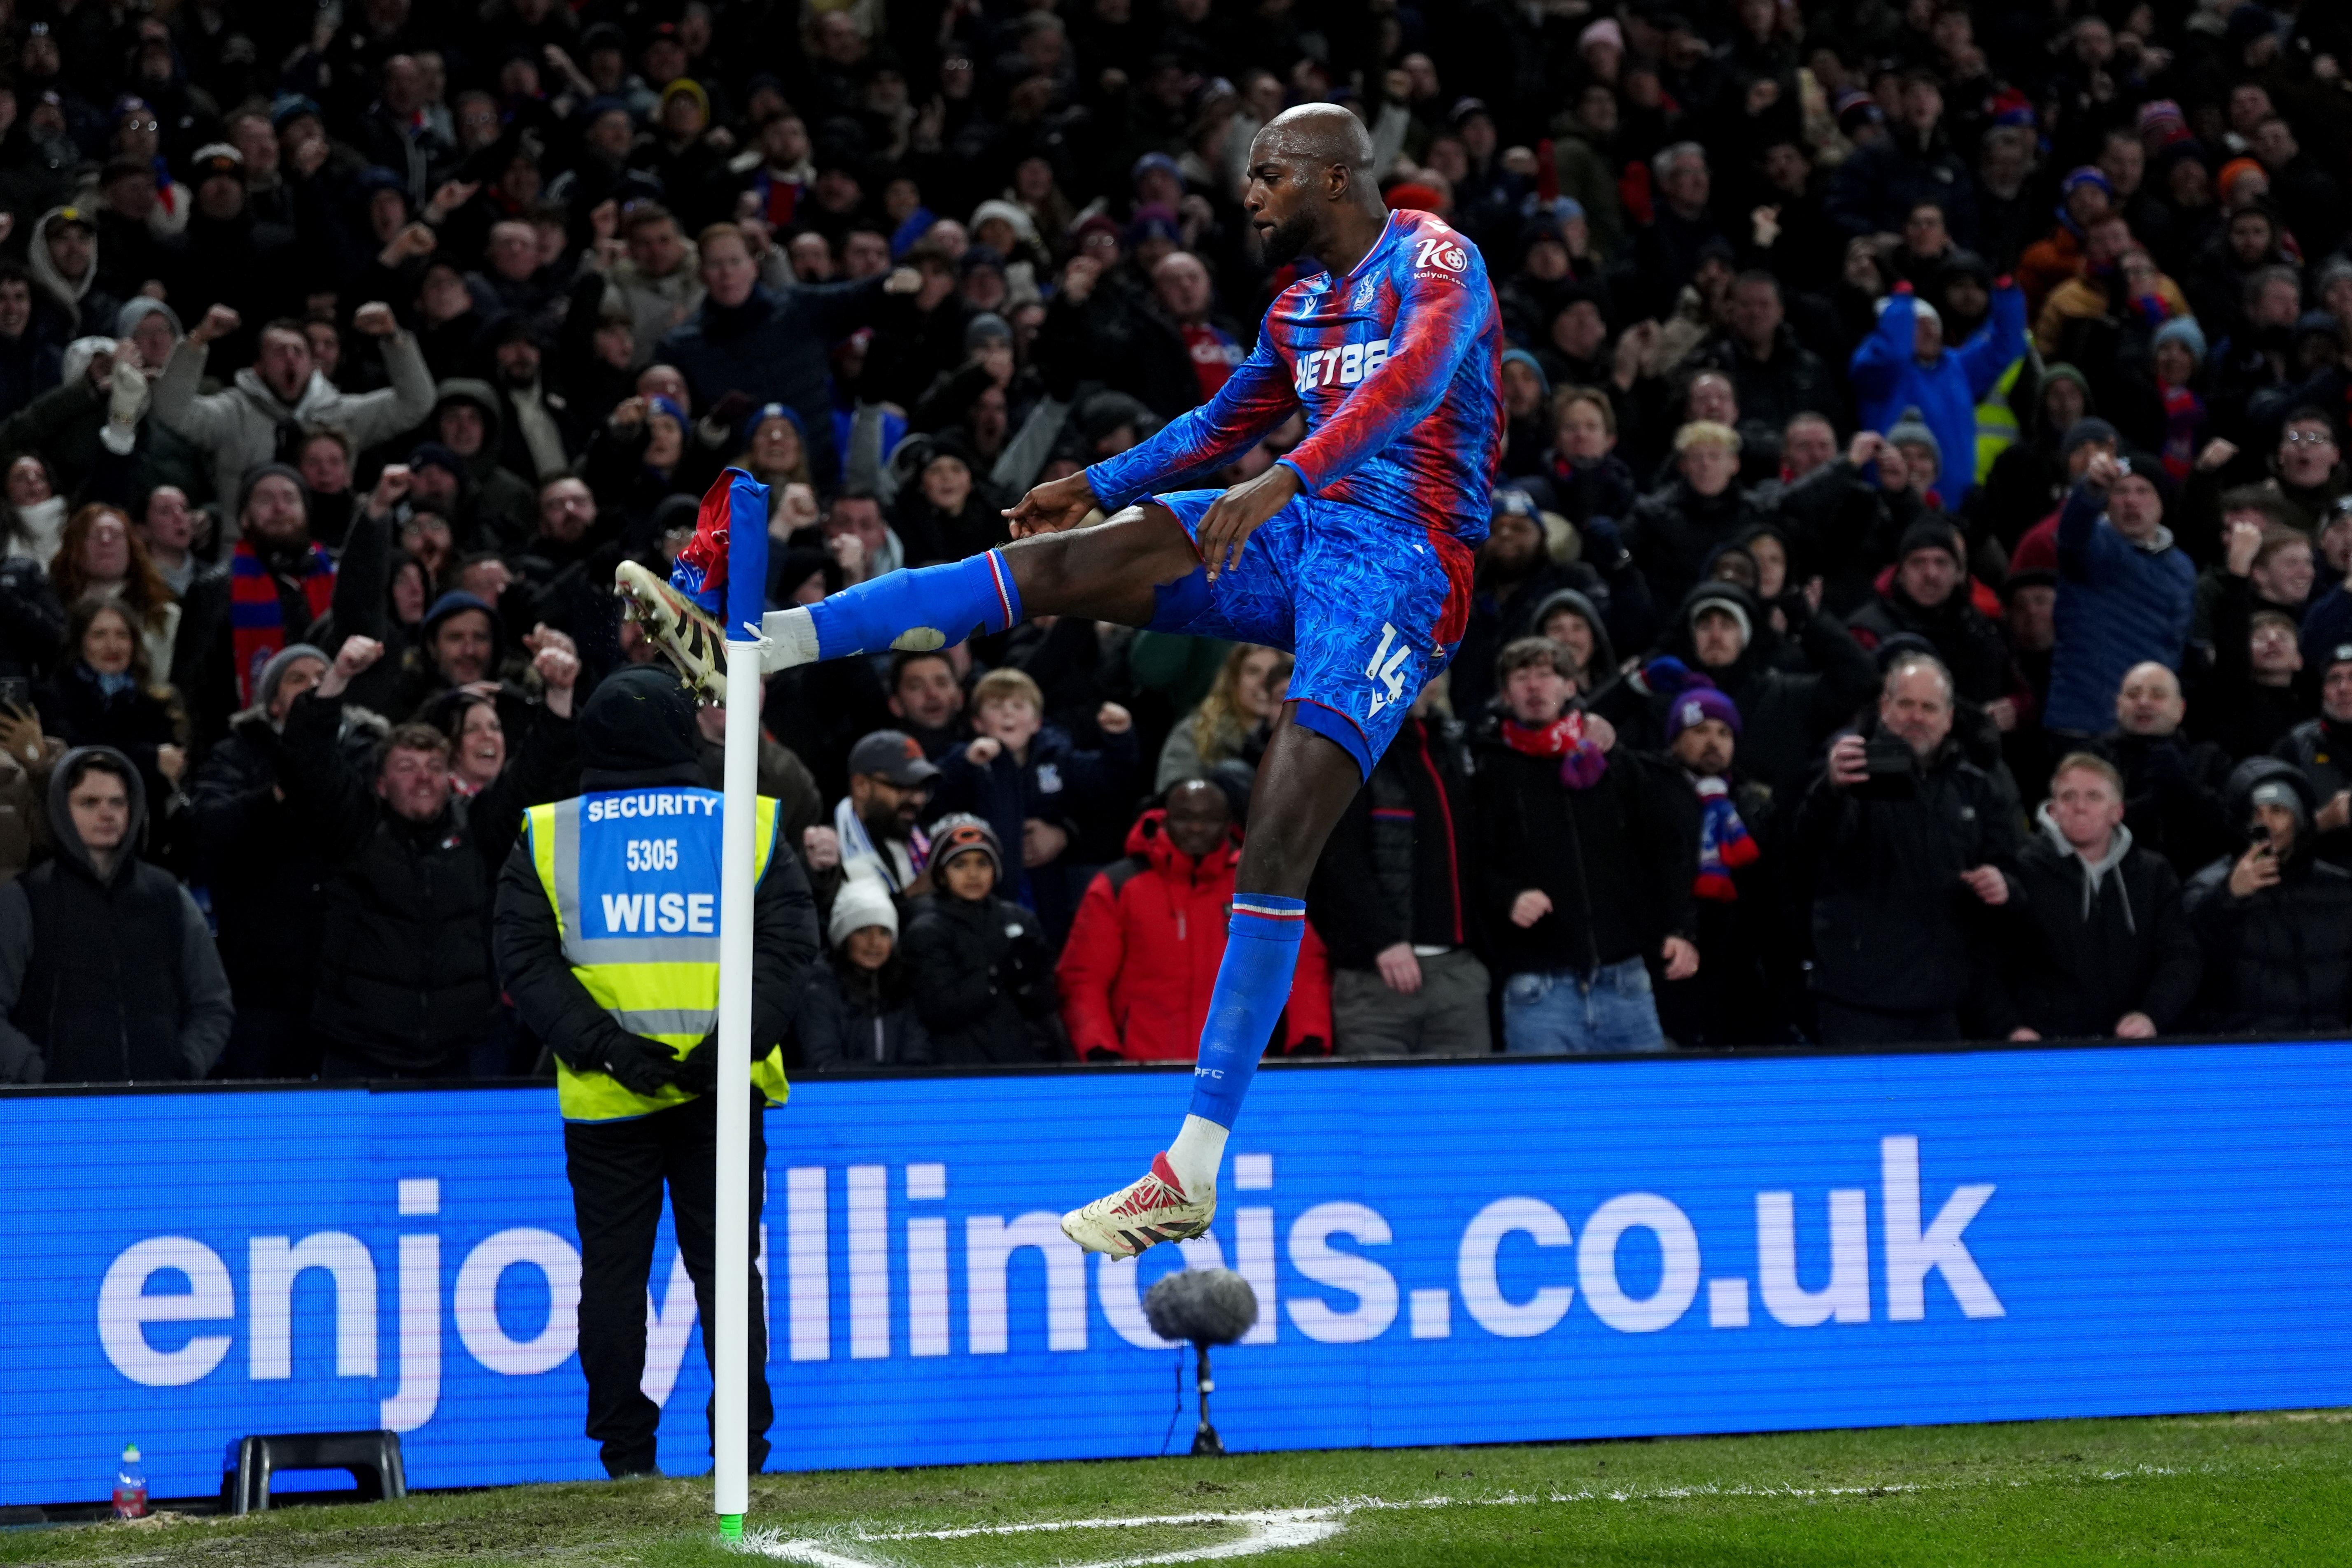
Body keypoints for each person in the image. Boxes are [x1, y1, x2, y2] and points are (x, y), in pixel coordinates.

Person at [625, 105, 1501, 1254]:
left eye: (1270, 176)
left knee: (1281, 828)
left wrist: (1278, 483)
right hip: (1301, 521)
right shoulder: (1293, 306)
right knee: (1063, 564)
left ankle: (1189, 1166)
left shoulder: (1436, 260)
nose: (1250, 196)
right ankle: (770, 642)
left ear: (1338, 178)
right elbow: (1221, 419)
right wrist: (1095, 480)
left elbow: (1413, 391)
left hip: (1403, 562)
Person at [493, 665, 816, 1480]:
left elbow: (524, 962)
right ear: (682, 731)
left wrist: (608, 1048)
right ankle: (740, 1446)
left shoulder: (546, 833)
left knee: (613, 1273)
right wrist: (731, 1044)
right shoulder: (748, 822)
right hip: (720, 1088)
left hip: (608, 1093)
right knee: (725, 1273)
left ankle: (626, 1454)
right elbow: (788, 950)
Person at [283, 634, 575, 1080]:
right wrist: (338, 676)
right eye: (406, 768)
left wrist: (559, 694)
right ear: (381, 782)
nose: (423, 779)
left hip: (461, 1054)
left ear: (450, 775)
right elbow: (309, 758)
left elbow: (531, 776)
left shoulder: (478, 829)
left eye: (434, 768)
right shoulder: (354, 827)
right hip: (361, 1052)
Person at [1472, 638, 1697, 1055]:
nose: (1534, 686)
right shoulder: (1489, 770)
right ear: (1505, 695)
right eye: (1521, 677)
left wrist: (1681, 929)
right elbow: (1473, 863)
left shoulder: (1615, 763)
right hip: (1537, 991)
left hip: (1625, 982)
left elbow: (1668, 849)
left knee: (1641, 1117)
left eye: (1546, 674)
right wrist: (1508, 896)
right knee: (1545, 1120)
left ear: (1570, 686)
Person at [1798, 652, 2021, 1046]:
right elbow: (1809, 847)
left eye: (1928, 707)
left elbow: (2014, 870)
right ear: (1885, 708)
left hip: (1944, 1003)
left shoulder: (1977, 787)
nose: (1916, 716)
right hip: (1856, 1000)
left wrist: (2002, 884)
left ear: (1948, 717)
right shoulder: (1848, 772)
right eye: (1905, 704)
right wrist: (1830, 790)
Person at [0, 746, 231, 1083]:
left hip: (157, 1111)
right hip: (54, 1117)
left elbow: (212, 1003)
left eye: (117, 802)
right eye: (89, 802)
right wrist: (38, 1077)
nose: (107, 813)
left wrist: (183, 1068)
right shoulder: (25, 900)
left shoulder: (168, 896)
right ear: (60, 810)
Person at [1061, 781, 1333, 1063]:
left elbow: (1303, 968)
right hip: (1141, 1072)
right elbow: (1084, 979)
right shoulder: (1117, 887)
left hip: (1237, 1074)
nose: (1196, 828)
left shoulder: (1261, 889)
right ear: (1164, 818)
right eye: (1185, 817)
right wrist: (1100, 1052)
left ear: (1229, 823)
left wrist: (1308, 1043)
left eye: (1209, 819)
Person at [1305, 686, 1486, 1056]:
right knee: (1377, 1109)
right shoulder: (1349, 746)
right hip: (1374, 978)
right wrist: (1382, 939)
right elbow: (1337, 857)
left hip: (1457, 974)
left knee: (1462, 1111)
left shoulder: (1452, 745)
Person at [1984, 753, 2199, 1043]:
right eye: (2068, 796)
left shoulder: (2154, 874)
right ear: (2054, 809)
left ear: (2117, 811)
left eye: (2093, 797)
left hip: (2132, 1046)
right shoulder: (2021, 871)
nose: (2079, 807)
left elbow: (2180, 957)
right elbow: (1986, 962)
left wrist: (2152, 1015)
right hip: (2043, 1048)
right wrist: (2010, 1027)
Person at [2182, 759, 2352, 1033]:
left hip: (2329, 1048)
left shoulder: (2340, 887)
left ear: (2297, 820)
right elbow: (2184, 963)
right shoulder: (2208, 886)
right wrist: (2229, 897)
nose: (2266, 824)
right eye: (2255, 813)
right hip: (2247, 1050)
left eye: (2277, 811)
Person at [2044, 451, 2195, 739]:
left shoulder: (2182, 567)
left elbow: (2176, 643)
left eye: (2143, 491)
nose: (2130, 501)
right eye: (2120, 491)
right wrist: (2089, 491)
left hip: (2151, 727)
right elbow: (2072, 534)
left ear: (2161, 501)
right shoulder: (2094, 546)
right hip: (2084, 723)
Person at [901, 813, 1063, 1065]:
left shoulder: (1020, 920)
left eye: (982, 863)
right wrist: (996, 976)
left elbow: (1049, 1001)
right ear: (941, 874)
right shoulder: (925, 929)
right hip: (957, 1068)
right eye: (960, 865)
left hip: (1021, 1062)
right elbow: (938, 1010)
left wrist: (1029, 985)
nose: (973, 874)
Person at [797, 874, 931, 1069]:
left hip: (897, 1098)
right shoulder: (819, 991)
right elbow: (823, 1063)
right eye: (863, 931)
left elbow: (919, 1056)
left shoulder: (903, 988)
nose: (875, 943)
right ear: (844, 938)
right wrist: (882, 1084)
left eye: (884, 933)